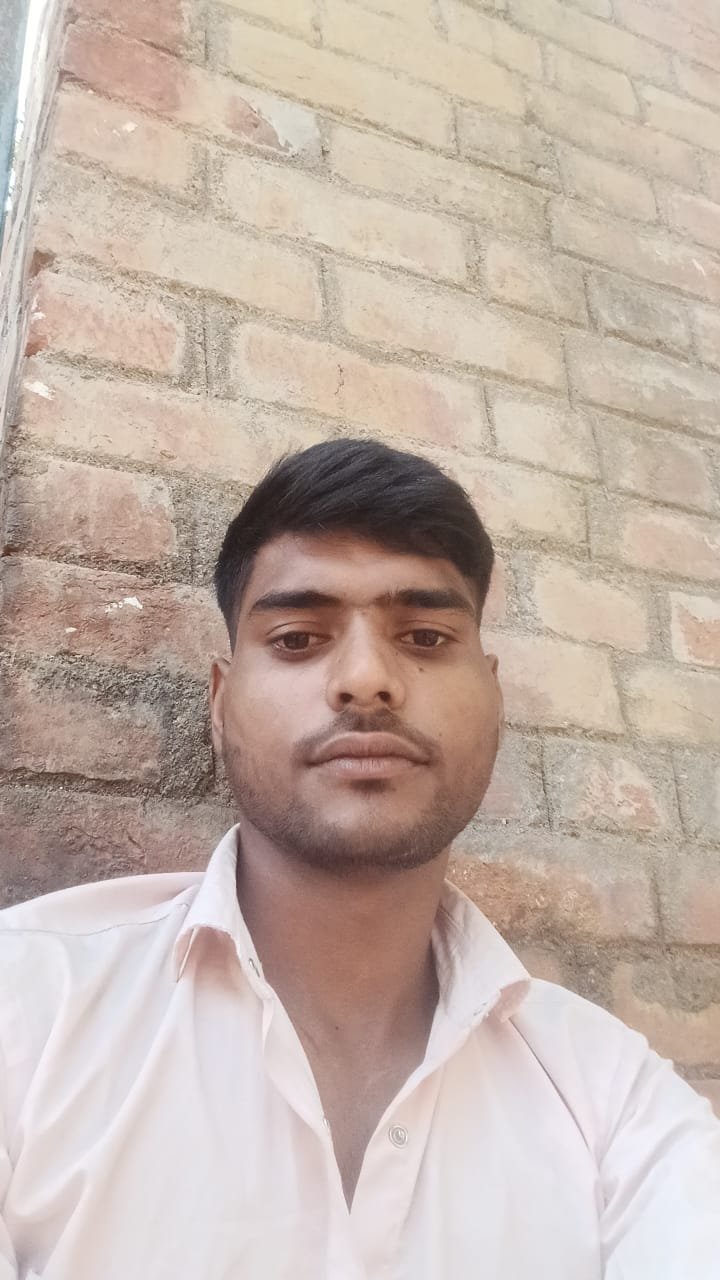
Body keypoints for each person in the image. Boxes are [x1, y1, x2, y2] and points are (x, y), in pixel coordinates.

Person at [0, 438, 718, 1280]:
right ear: (221, 703)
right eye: (298, 638)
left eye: (425, 636)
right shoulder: (28, 1008)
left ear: (494, 696)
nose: (368, 679)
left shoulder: (611, 1096)